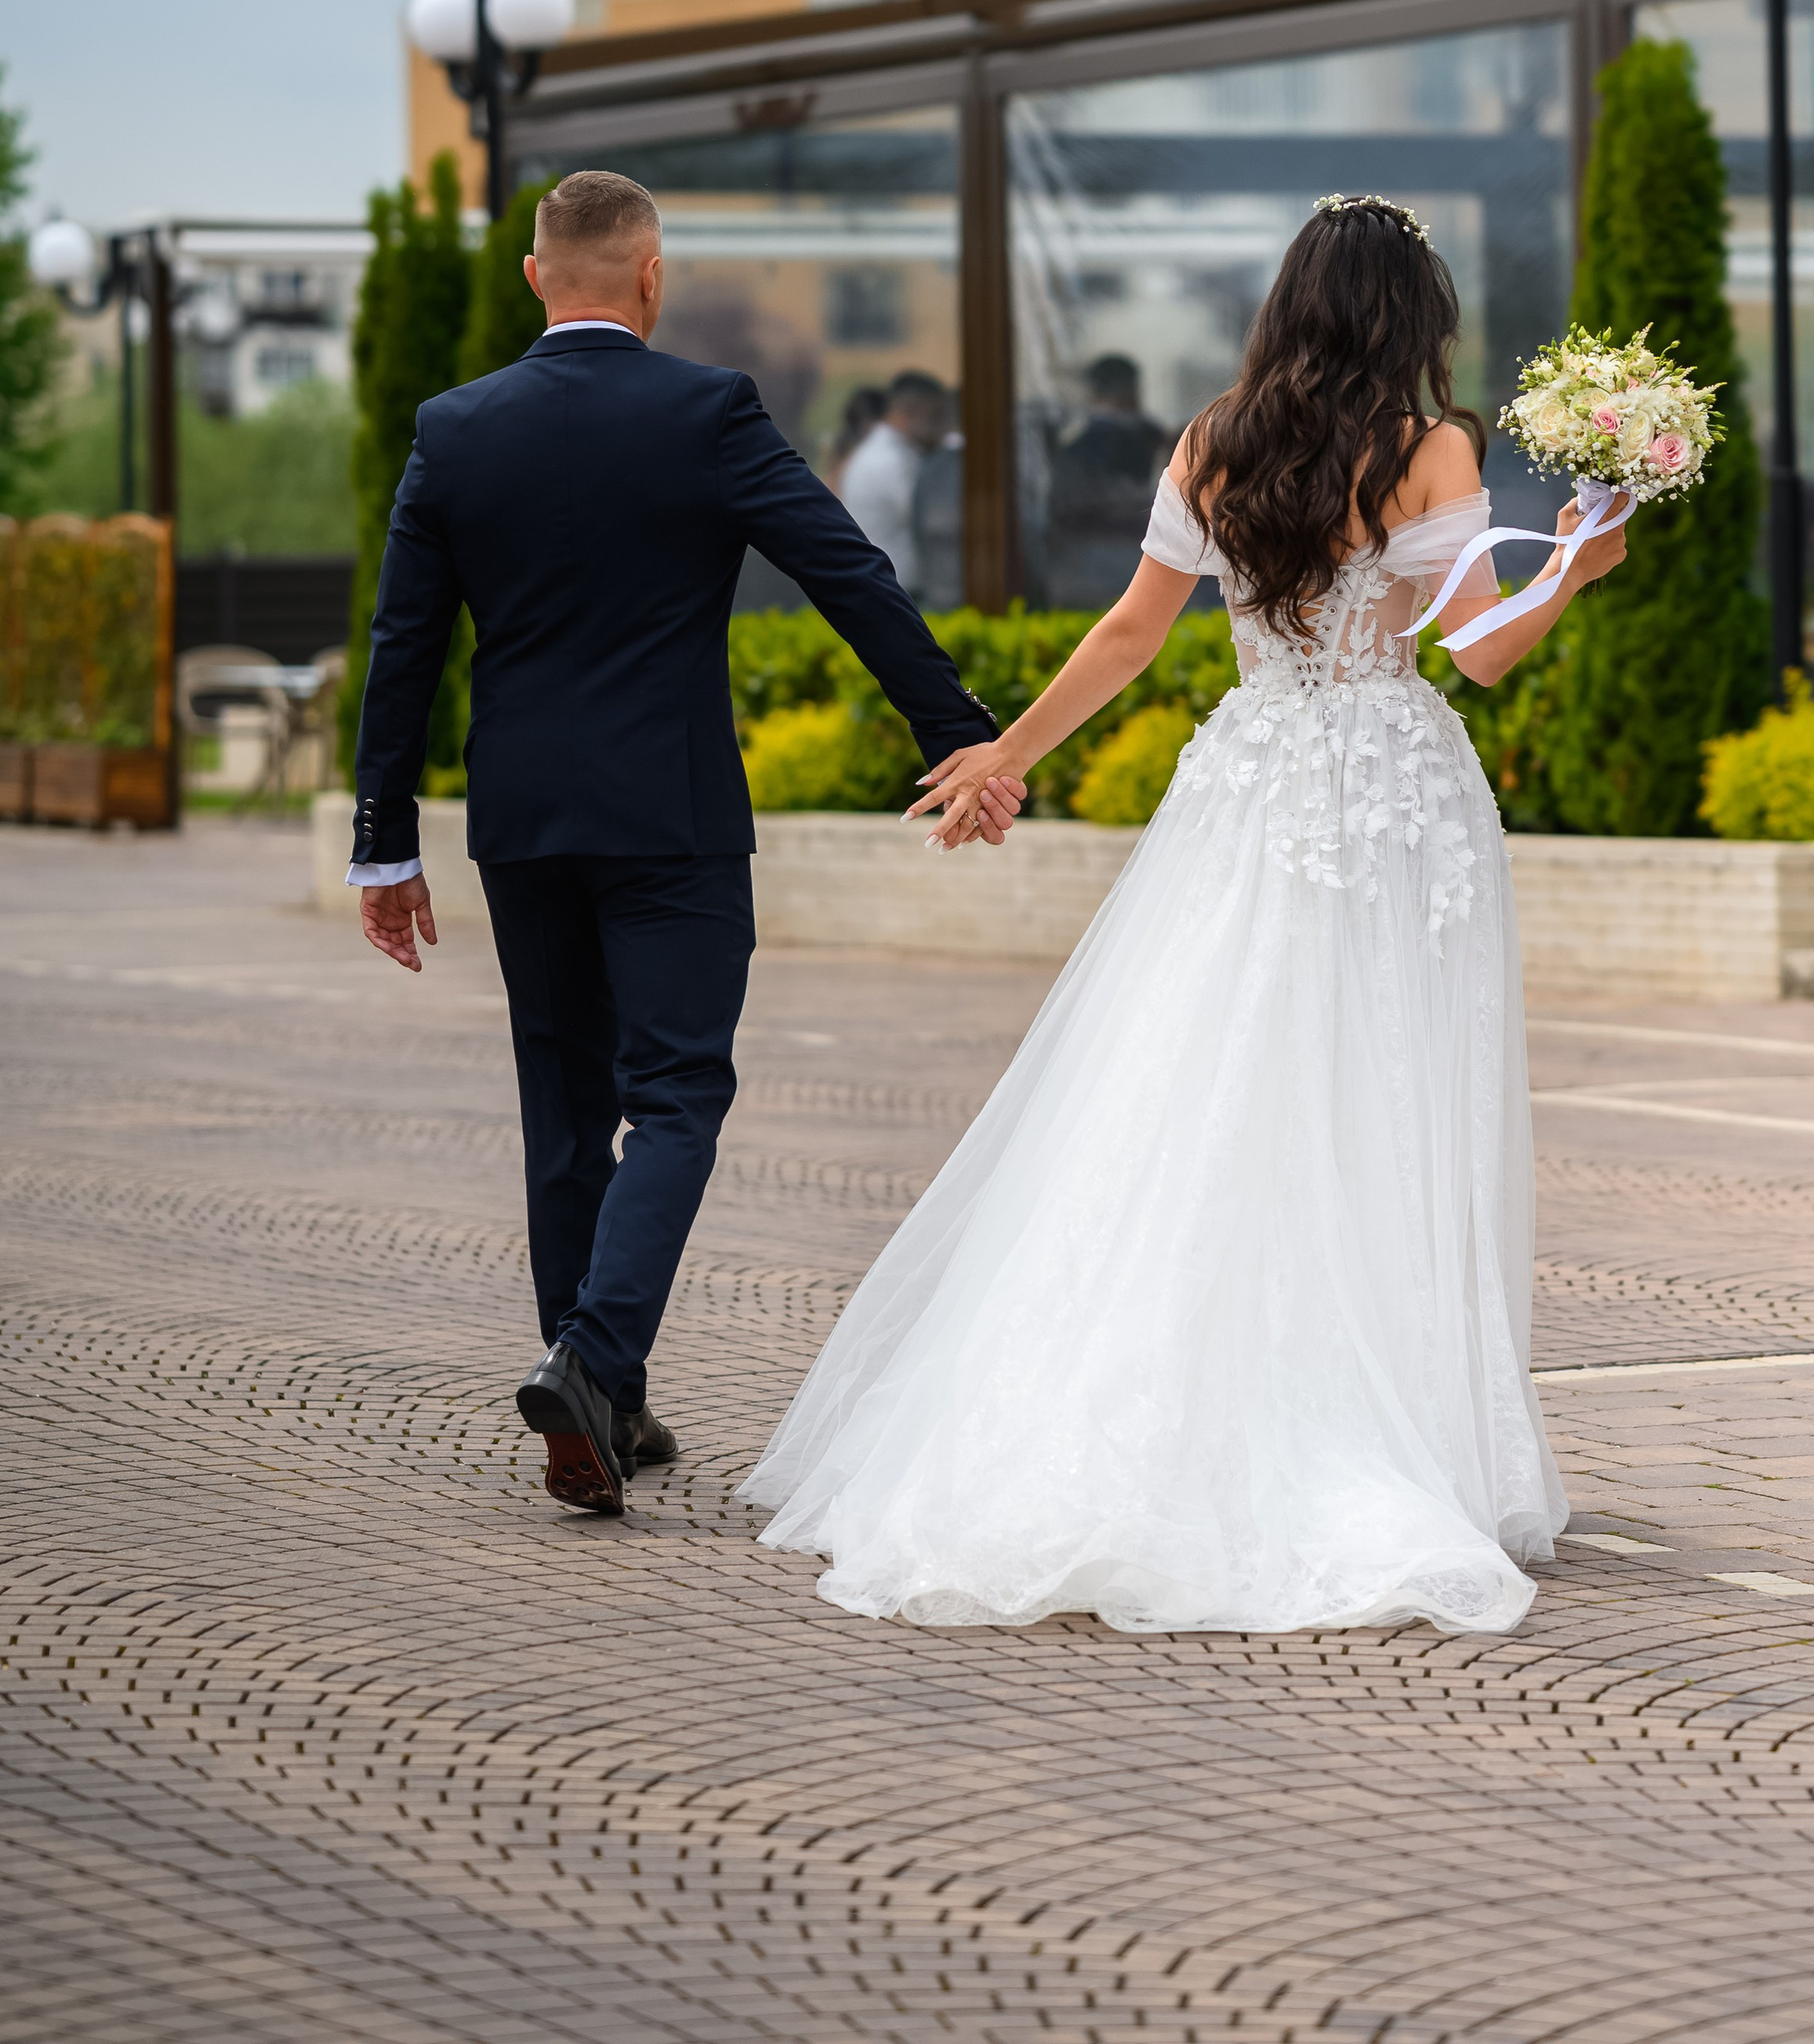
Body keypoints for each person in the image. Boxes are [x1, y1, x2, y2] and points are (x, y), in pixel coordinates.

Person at [742, 194, 1629, 1637]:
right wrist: (1578, 564)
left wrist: (1006, 751)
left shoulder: (1215, 440)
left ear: (1290, 302)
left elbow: (1133, 633)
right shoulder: (1428, 448)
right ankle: (1372, 1423)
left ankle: (1162, 1404)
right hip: (1391, 792)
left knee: (1202, 1077)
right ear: (1412, 318)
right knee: (1380, 1093)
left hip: (1254, 780)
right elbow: (1483, 653)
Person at [348, 172, 1018, 1518]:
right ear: (651, 277)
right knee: (676, 1092)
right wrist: (962, 733)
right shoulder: (708, 411)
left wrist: (383, 841)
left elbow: (404, 643)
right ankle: (593, 1364)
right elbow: (848, 570)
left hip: (524, 821)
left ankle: (600, 1387)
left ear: (541, 278)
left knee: (563, 1097)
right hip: (671, 815)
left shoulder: (455, 428)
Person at [1046, 352, 1174, 603]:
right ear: (1133, 390)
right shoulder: (1155, 438)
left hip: (1087, 571)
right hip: (1145, 565)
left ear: (1094, 392)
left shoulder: (1079, 444)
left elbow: (1060, 509)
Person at [836, 369, 950, 592]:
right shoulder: (892, 460)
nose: (942, 427)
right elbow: (933, 518)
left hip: (882, 581)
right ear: (910, 411)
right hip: (894, 586)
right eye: (935, 416)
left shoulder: (881, 451)